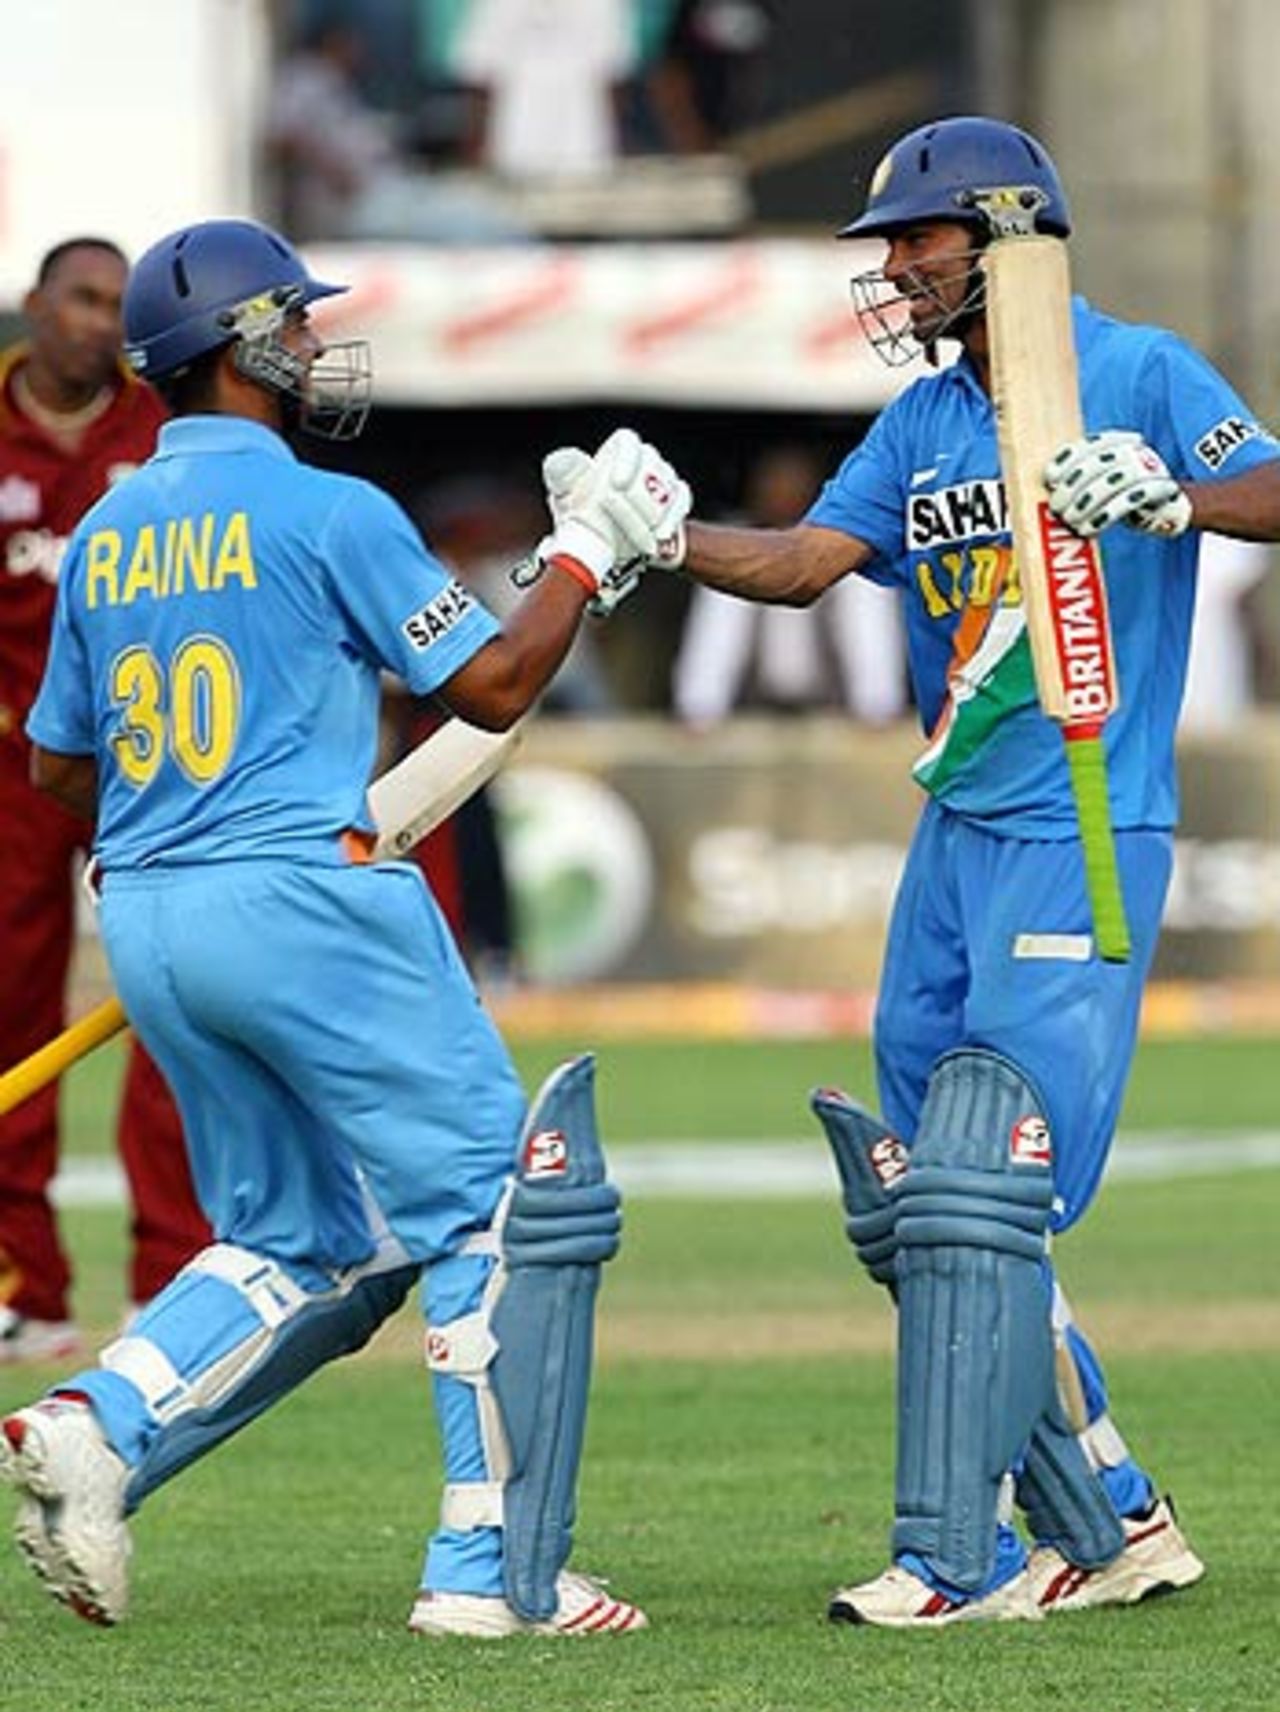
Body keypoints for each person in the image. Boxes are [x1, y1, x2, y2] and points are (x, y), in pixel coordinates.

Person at [572, 116, 1280, 1627]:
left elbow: (1275, 490)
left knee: (979, 1200)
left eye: (916, 239)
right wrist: (668, 540)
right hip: (953, 836)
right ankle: (1115, 1515)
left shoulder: (1140, 372)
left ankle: (956, 1560)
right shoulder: (923, 422)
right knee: (925, 1214)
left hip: (1083, 824)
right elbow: (807, 566)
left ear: (1004, 235)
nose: (894, 270)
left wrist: (1173, 498)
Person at [0, 217, 687, 1634]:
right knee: (496, 1205)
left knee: (299, 1235)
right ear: (240, 345)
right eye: (295, 323)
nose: (314, 345)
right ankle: (491, 1571)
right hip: (304, 898)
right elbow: (491, 687)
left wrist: (184, 812)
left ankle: (97, 1423)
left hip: (152, 916)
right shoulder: (331, 510)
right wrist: (582, 552)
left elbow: (60, 766)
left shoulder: (110, 528)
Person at [0, 237, 210, 1365]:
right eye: (81, 299)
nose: (98, 322)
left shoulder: (161, 429)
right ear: (35, 304)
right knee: (9, 1012)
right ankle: (22, 1283)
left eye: (115, 305)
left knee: (173, 1003)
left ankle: (170, 1277)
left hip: (145, 762)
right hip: (12, 773)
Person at [672, 444, 906, 727]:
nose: (783, 499)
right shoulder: (737, 549)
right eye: (773, 488)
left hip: (831, 714)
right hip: (754, 715)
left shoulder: (845, 548)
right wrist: (699, 711)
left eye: (794, 490)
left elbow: (868, 635)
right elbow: (716, 641)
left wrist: (876, 708)